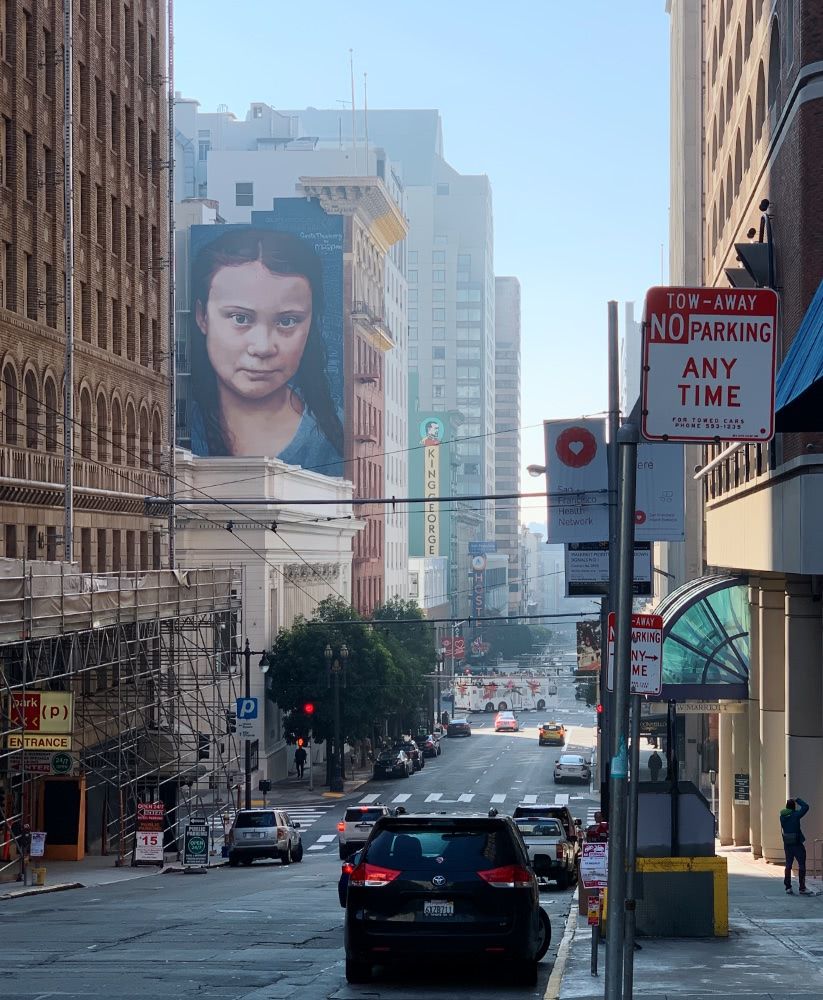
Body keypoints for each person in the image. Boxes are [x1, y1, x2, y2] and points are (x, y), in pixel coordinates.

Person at [189, 227, 344, 474]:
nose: (262, 347)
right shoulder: (177, 423)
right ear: (201, 316)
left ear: (311, 325)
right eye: (240, 318)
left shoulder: (336, 437)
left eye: (286, 322)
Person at [780, 797, 811, 894]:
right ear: (793, 807)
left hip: (787, 844)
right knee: (801, 865)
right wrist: (797, 799)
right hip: (797, 844)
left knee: (788, 865)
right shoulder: (795, 815)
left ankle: (788, 887)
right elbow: (806, 807)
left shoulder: (782, 816)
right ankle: (802, 888)